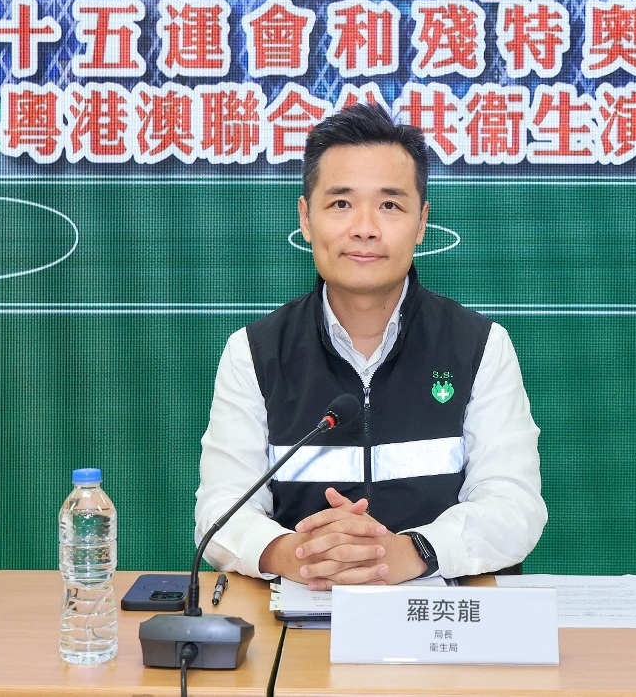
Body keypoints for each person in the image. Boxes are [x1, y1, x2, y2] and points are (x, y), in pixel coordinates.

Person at [195, 104, 547, 589]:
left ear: (421, 223)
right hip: (299, 609)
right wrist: (297, 554)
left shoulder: (480, 346)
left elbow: (514, 503)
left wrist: (413, 551)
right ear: (306, 218)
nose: (364, 227)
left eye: (390, 206)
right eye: (341, 204)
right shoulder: (253, 353)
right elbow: (220, 509)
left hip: (441, 615)